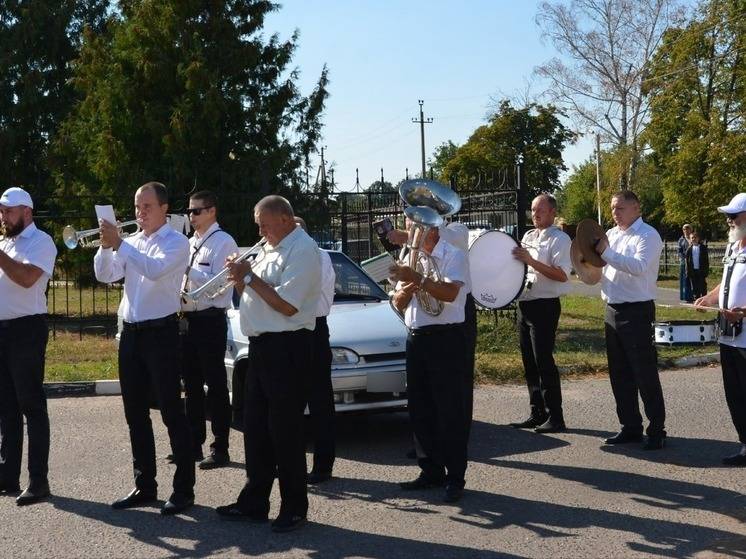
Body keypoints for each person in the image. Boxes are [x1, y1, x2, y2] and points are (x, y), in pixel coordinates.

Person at [216, 195, 320, 533]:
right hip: (260, 347)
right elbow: (257, 293)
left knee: (285, 430)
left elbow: (288, 306)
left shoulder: (303, 250)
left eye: (264, 223)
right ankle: (255, 500)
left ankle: (294, 506)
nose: (259, 230)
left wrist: (248, 278)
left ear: (286, 220)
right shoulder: (268, 248)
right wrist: (240, 280)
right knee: (255, 426)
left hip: (288, 348)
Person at [94, 181, 195, 515]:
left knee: (170, 411)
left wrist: (120, 244)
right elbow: (105, 276)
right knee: (134, 412)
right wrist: (106, 247)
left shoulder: (177, 242)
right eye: (137, 207)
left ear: (165, 208)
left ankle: (183, 489)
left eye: (147, 207)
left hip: (162, 333)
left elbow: (154, 271)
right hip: (132, 333)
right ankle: (145, 484)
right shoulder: (132, 242)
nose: (140, 213)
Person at [389, 222, 470, 503]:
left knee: (449, 409)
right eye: (409, 226)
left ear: (433, 230)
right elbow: (397, 303)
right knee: (420, 406)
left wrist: (420, 280)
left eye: (414, 226)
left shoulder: (453, 254)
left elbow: (450, 294)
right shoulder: (410, 257)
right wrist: (406, 290)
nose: (409, 231)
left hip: (445, 339)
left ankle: (455, 476)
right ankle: (430, 470)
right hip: (416, 337)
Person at [594, 190, 666, 450]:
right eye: (613, 208)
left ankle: (657, 429)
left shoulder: (648, 235)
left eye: (620, 208)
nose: (615, 213)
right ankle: (630, 426)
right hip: (612, 308)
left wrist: (606, 253)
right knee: (619, 374)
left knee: (644, 372)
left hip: (637, 311)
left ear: (636, 207)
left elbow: (638, 266)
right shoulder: (611, 235)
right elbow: (599, 265)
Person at [0, 187, 57, 506]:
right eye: (1, 211)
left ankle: (38, 480)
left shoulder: (41, 242)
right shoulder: (4, 241)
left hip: (26, 329)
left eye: (9, 211)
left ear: (27, 212)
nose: (3, 216)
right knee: (5, 406)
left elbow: (25, 279)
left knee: (31, 405)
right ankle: (8, 474)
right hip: (2, 329)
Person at [180, 190, 238, 469]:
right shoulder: (190, 243)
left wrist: (187, 270)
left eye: (197, 211)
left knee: (215, 385)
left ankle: (220, 448)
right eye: (190, 211)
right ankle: (193, 444)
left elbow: (217, 287)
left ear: (212, 211)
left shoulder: (224, 242)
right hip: (188, 319)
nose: (191, 216)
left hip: (210, 319)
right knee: (190, 385)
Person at [509, 194, 572, 433]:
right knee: (529, 361)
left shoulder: (560, 239)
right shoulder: (528, 236)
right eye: (533, 210)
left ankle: (556, 416)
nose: (535, 215)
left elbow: (561, 274)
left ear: (553, 212)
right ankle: (537, 411)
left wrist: (531, 261)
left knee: (544, 360)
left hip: (545, 305)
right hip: (526, 302)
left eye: (540, 211)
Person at [694, 193, 746, 466]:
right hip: (729, 335)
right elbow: (725, 282)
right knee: (735, 395)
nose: (729, 221)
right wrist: (709, 298)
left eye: (734, 216)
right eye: (728, 216)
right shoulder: (732, 248)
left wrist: (743, 312)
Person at [294, 217, 336, 484]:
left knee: (320, 402)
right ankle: (291, 463)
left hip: (313, 329)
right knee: (290, 403)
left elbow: (300, 296)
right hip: (290, 332)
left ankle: (323, 465)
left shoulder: (318, 257)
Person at [685, 231, 709, 300]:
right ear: (690, 239)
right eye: (692, 238)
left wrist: (706, 270)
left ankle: (704, 298)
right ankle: (696, 298)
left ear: (698, 238)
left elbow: (706, 261)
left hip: (701, 270)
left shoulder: (703, 248)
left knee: (702, 285)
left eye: (695, 237)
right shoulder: (689, 249)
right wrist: (687, 271)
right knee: (694, 286)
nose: (693, 239)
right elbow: (687, 261)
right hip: (693, 270)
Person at [678, 224, 693, 302]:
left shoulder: (693, 238)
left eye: (687, 229)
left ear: (691, 230)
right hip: (684, 262)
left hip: (693, 262)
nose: (686, 231)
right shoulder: (681, 240)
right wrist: (684, 258)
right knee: (685, 279)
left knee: (693, 279)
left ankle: (694, 295)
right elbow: (679, 251)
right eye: (684, 229)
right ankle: (685, 296)